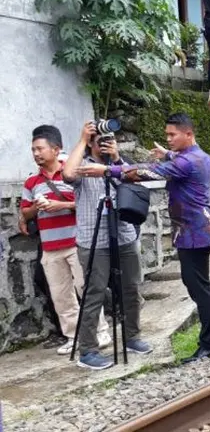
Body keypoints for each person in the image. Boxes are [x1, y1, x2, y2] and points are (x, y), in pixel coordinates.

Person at [78, 113, 210, 364]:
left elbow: (149, 172)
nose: (169, 139)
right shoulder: (198, 156)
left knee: (197, 286)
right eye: (168, 135)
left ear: (188, 134)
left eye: (173, 135)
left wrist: (107, 170)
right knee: (199, 281)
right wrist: (168, 152)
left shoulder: (187, 162)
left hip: (193, 233)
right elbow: (175, 159)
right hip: (201, 230)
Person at [63, 122, 152, 370]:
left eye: (108, 140)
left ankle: (132, 337)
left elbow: (136, 180)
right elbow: (67, 175)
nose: (103, 144)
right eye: (99, 140)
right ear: (91, 142)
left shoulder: (118, 165)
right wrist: (82, 140)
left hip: (123, 234)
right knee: (95, 292)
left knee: (131, 287)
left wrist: (116, 158)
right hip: (93, 239)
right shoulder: (83, 167)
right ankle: (88, 351)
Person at [21, 126, 111, 356]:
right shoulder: (32, 182)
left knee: (86, 289)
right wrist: (36, 207)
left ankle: (100, 331)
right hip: (50, 247)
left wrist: (60, 205)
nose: (36, 154)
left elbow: (87, 202)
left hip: (75, 242)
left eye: (40, 149)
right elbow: (25, 213)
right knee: (61, 296)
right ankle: (73, 336)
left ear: (56, 149)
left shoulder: (72, 173)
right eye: (33, 150)